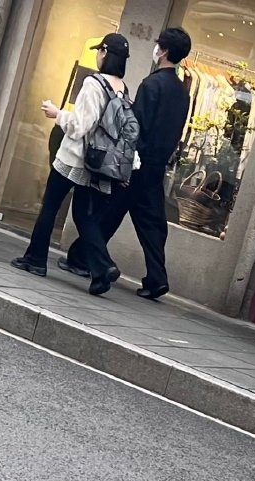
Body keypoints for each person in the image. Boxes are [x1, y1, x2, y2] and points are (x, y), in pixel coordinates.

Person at [63, 26, 192, 299]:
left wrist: (125, 163)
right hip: (157, 166)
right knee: (152, 224)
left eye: (158, 45)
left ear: (163, 51)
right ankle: (156, 278)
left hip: (137, 163)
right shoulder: (183, 91)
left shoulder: (151, 84)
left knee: (106, 212)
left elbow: (136, 128)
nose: (156, 49)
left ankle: (84, 259)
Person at [11, 32, 131, 295]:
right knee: (84, 217)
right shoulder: (122, 89)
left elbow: (79, 126)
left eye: (99, 51)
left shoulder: (93, 84)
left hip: (73, 159)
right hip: (96, 164)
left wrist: (57, 114)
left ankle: (35, 260)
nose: (98, 55)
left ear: (105, 53)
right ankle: (103, 268)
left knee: (50, 207)